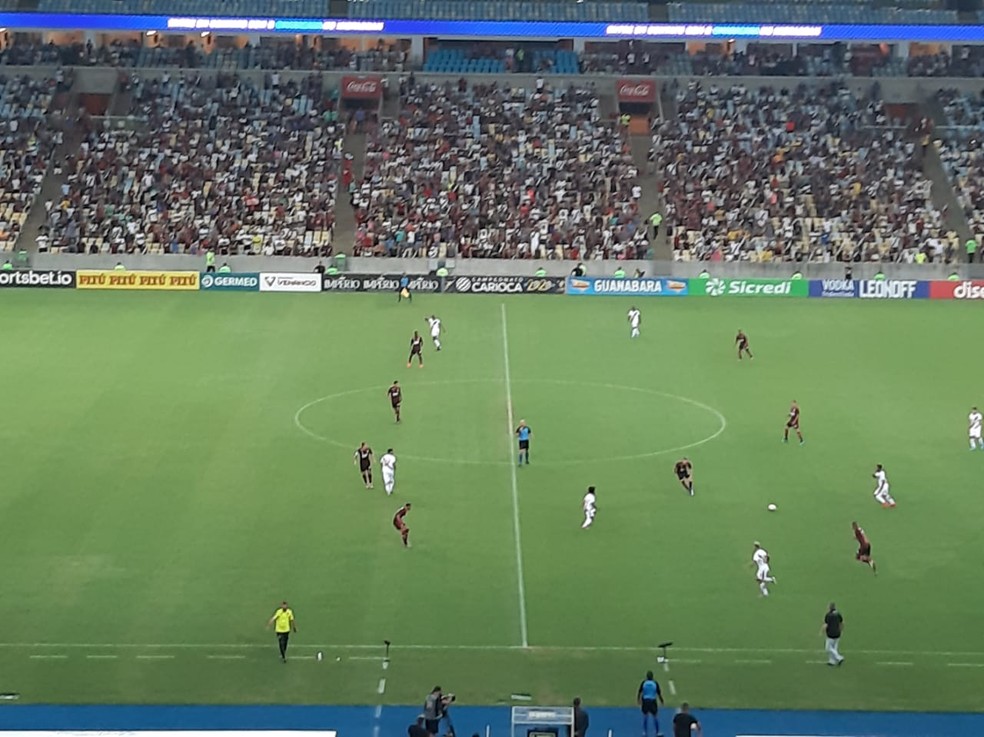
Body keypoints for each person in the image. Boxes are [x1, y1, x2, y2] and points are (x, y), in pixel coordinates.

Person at [637, 670, 664, 737]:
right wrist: (661, 701)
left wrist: (638, 700)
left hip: (645, 701)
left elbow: (639, 692)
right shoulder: (655, 683)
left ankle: (645, 732)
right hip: (652, 701)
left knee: (645, 717)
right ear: (652, 677)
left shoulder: (644, 683)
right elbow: (659, 693)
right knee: (655, 717)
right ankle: (657, 732)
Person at [821, 602, 845, 666]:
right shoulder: (838, 614)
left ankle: (839, 657)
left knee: (828, 648)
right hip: (837, 633)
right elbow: (842, 623)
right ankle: (832, 661)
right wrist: (841, 630)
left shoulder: (828, 615)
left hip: (831, 634)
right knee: (834, 648)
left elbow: (826, 625)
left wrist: (822, 631)